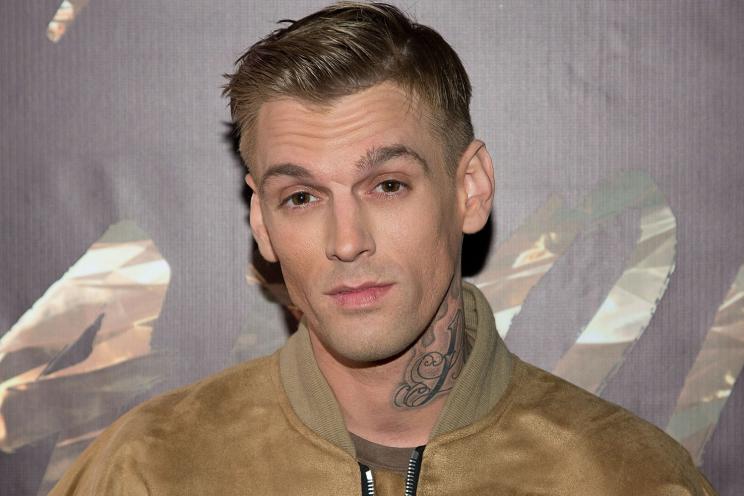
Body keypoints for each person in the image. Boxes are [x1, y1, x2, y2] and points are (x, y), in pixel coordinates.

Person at [50, 3, 717, 495]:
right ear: (261, 221)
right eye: (302, 197)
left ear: (469, 189)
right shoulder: (147, 471)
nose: (346, 242)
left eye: (388, 184)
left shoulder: (628, 478)